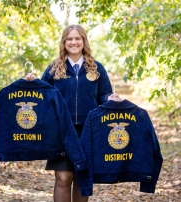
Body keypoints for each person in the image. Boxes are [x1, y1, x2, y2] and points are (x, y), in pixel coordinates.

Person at [38, 24, 120, 202]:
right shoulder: (54, 68)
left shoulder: (96, 68)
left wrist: (110, 98)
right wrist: (30, 82)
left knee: (81, 176)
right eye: (69, 39)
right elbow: (41, 94)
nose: (73, 42)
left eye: (77, 38)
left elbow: (103, 94)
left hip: (88, 131)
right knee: (63, 178)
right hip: (61, 131)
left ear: (83, 41)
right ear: (64, 42)